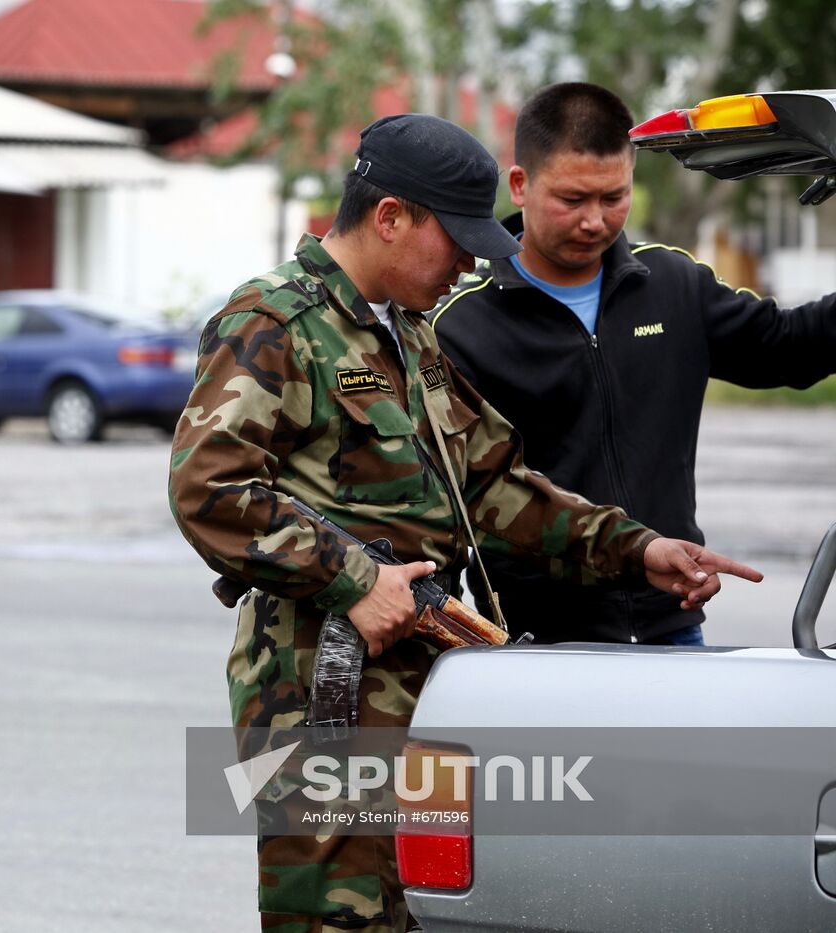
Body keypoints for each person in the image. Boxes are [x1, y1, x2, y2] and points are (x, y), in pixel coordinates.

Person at [168, 113, 762, 933]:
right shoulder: (273, 323)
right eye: (456, 242)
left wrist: (638, 548)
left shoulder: (406, 337)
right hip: (317, 694)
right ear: (391, 218)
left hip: (427, 688)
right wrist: (357, 577)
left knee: (430, 912)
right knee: (335, 919)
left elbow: (493, 485)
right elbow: (209, 487)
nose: (467, 266)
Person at [429, 81, 836, 647]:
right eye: (572, 200)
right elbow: (463, 499)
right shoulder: (458, 326)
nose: (595, 220)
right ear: (520, 184)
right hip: (536, 645)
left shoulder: (673, 283)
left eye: (613, 197)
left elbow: (792, 348)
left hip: (673, 627)